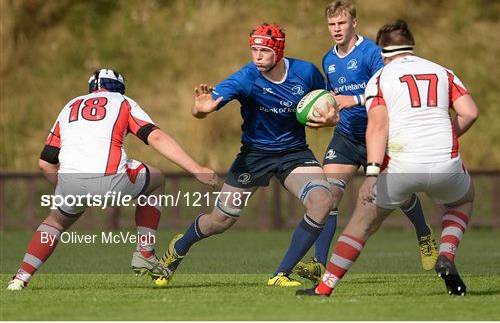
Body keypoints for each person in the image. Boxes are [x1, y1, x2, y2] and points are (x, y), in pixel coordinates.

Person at [297, 20, 478, 297]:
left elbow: (378, 127)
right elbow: (470, 113)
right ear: (411, 45)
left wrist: (371, 175)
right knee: (462, 200)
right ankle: (447, 255)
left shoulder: (380, 78)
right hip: (446, 163)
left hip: (401, 166)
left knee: (361, 224)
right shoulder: (444, 72)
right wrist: (448, 138)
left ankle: (324, 287)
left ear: (382, 52)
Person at [156, 23, 339, 287]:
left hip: (294, 153)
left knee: (323, 201)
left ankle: (281, 274)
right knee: (220, 221)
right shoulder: (246, 77)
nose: (257, 56)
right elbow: (206, 105)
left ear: (278, 52)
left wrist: (331, 118)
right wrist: (201, 109)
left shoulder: (306, 72)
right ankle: (179, 247)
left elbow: (327, 104)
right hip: (254, 157)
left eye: (263, 50)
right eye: (253, 49)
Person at [7, 69, 218, 290]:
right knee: (156, 179)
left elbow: (45, 162)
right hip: (111, 178)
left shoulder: (70, 105)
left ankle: (20, 278)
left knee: (54, 223)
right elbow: (154, 136)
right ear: (119, 87)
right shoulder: (123, 102)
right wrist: (196, 169)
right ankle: (145, 252)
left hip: (70, 181)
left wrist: (73, 190)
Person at [294, 0, 437, 283]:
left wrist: (356, 99)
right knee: (329, 196)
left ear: (353, 23)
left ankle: (424, 235)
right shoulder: (329, 59)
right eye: (331, 24)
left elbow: (387, 88)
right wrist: (329, 117)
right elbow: (333, 99)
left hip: (379, 133)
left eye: (342, 23)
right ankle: (319, 263)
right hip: (346, 136)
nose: (336, 29)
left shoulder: (372, 52)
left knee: (400, 195)